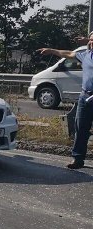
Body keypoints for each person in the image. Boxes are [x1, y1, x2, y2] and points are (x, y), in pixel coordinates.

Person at [37, 30, 93, 169]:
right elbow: (68, 53)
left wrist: (87, 39)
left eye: (92, 40)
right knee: (80, 128)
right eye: (90, 40)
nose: (91, 42)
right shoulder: (85, 55)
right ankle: (78, 159)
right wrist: (51, 50)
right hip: (85, 97)